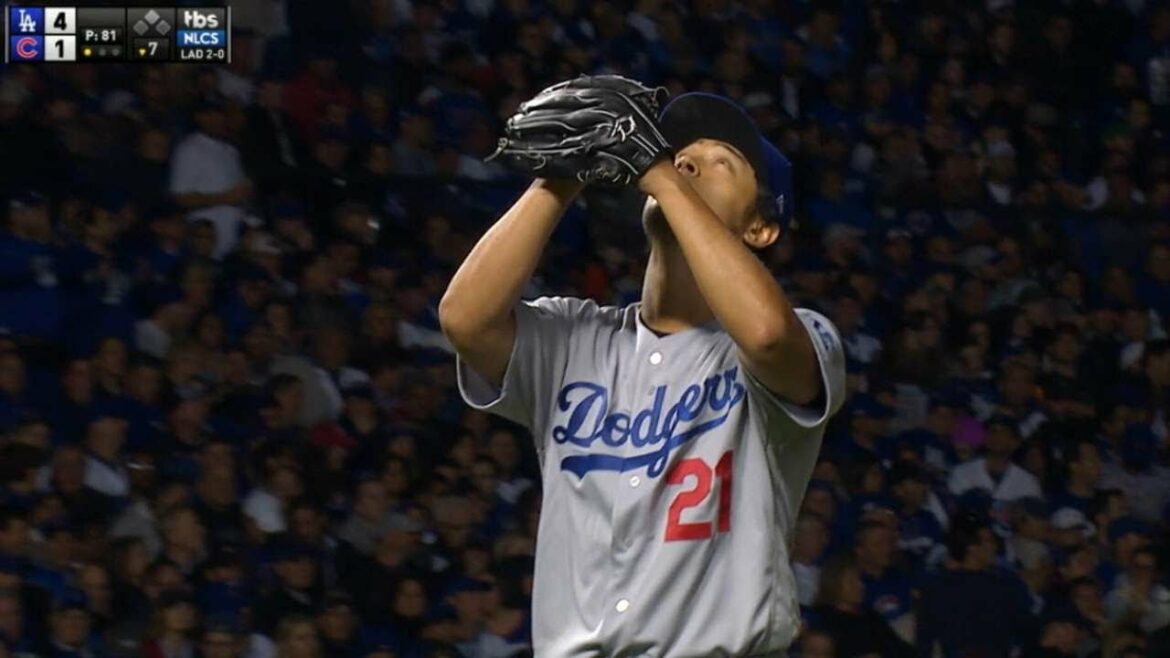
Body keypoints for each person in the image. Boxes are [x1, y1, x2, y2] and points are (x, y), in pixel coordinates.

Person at [440, 87, 846, 654]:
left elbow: (768, 336)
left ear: (760, 228)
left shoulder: (805, 334)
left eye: (718, 163)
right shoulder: (574, 336)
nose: (684, 162)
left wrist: (661, 177)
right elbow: (465, 319)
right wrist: (560, 176)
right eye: (679, 154)